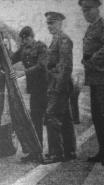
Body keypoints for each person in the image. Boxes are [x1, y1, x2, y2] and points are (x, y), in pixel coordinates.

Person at [43, 12, 76, 164]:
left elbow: (65, 66)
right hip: (57, 84)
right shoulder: (56, 39)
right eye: (48, 23)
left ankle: (57, 153)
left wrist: (58, 87)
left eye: (52, 23)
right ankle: (70, 151)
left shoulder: (63, 40)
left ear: (60, 23)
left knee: (52, 116)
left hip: (59, 86)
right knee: (66, 119)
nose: (49, 26)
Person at [11, 26, 48, 162]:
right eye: (23, 39)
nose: (24, 42)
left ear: (32, 37)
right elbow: (11, 58)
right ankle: (36, 152)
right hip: (35, 90)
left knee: (50, 120)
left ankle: (58, 152)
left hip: (46, 88)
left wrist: (23, 72)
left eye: (26, 39)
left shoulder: (41, 47)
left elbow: (42, 66)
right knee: (36, 120)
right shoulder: (23, 50)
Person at [79, 0, 104, 163]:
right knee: (97, 116)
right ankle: (102, 151)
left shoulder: (102, 26)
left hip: (102, 78)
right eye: (83, 11)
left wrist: (91, 60)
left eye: (88, 10)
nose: (85, 13)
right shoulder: (90, 28)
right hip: (95, 79)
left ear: (97, 8)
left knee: (102, 115)